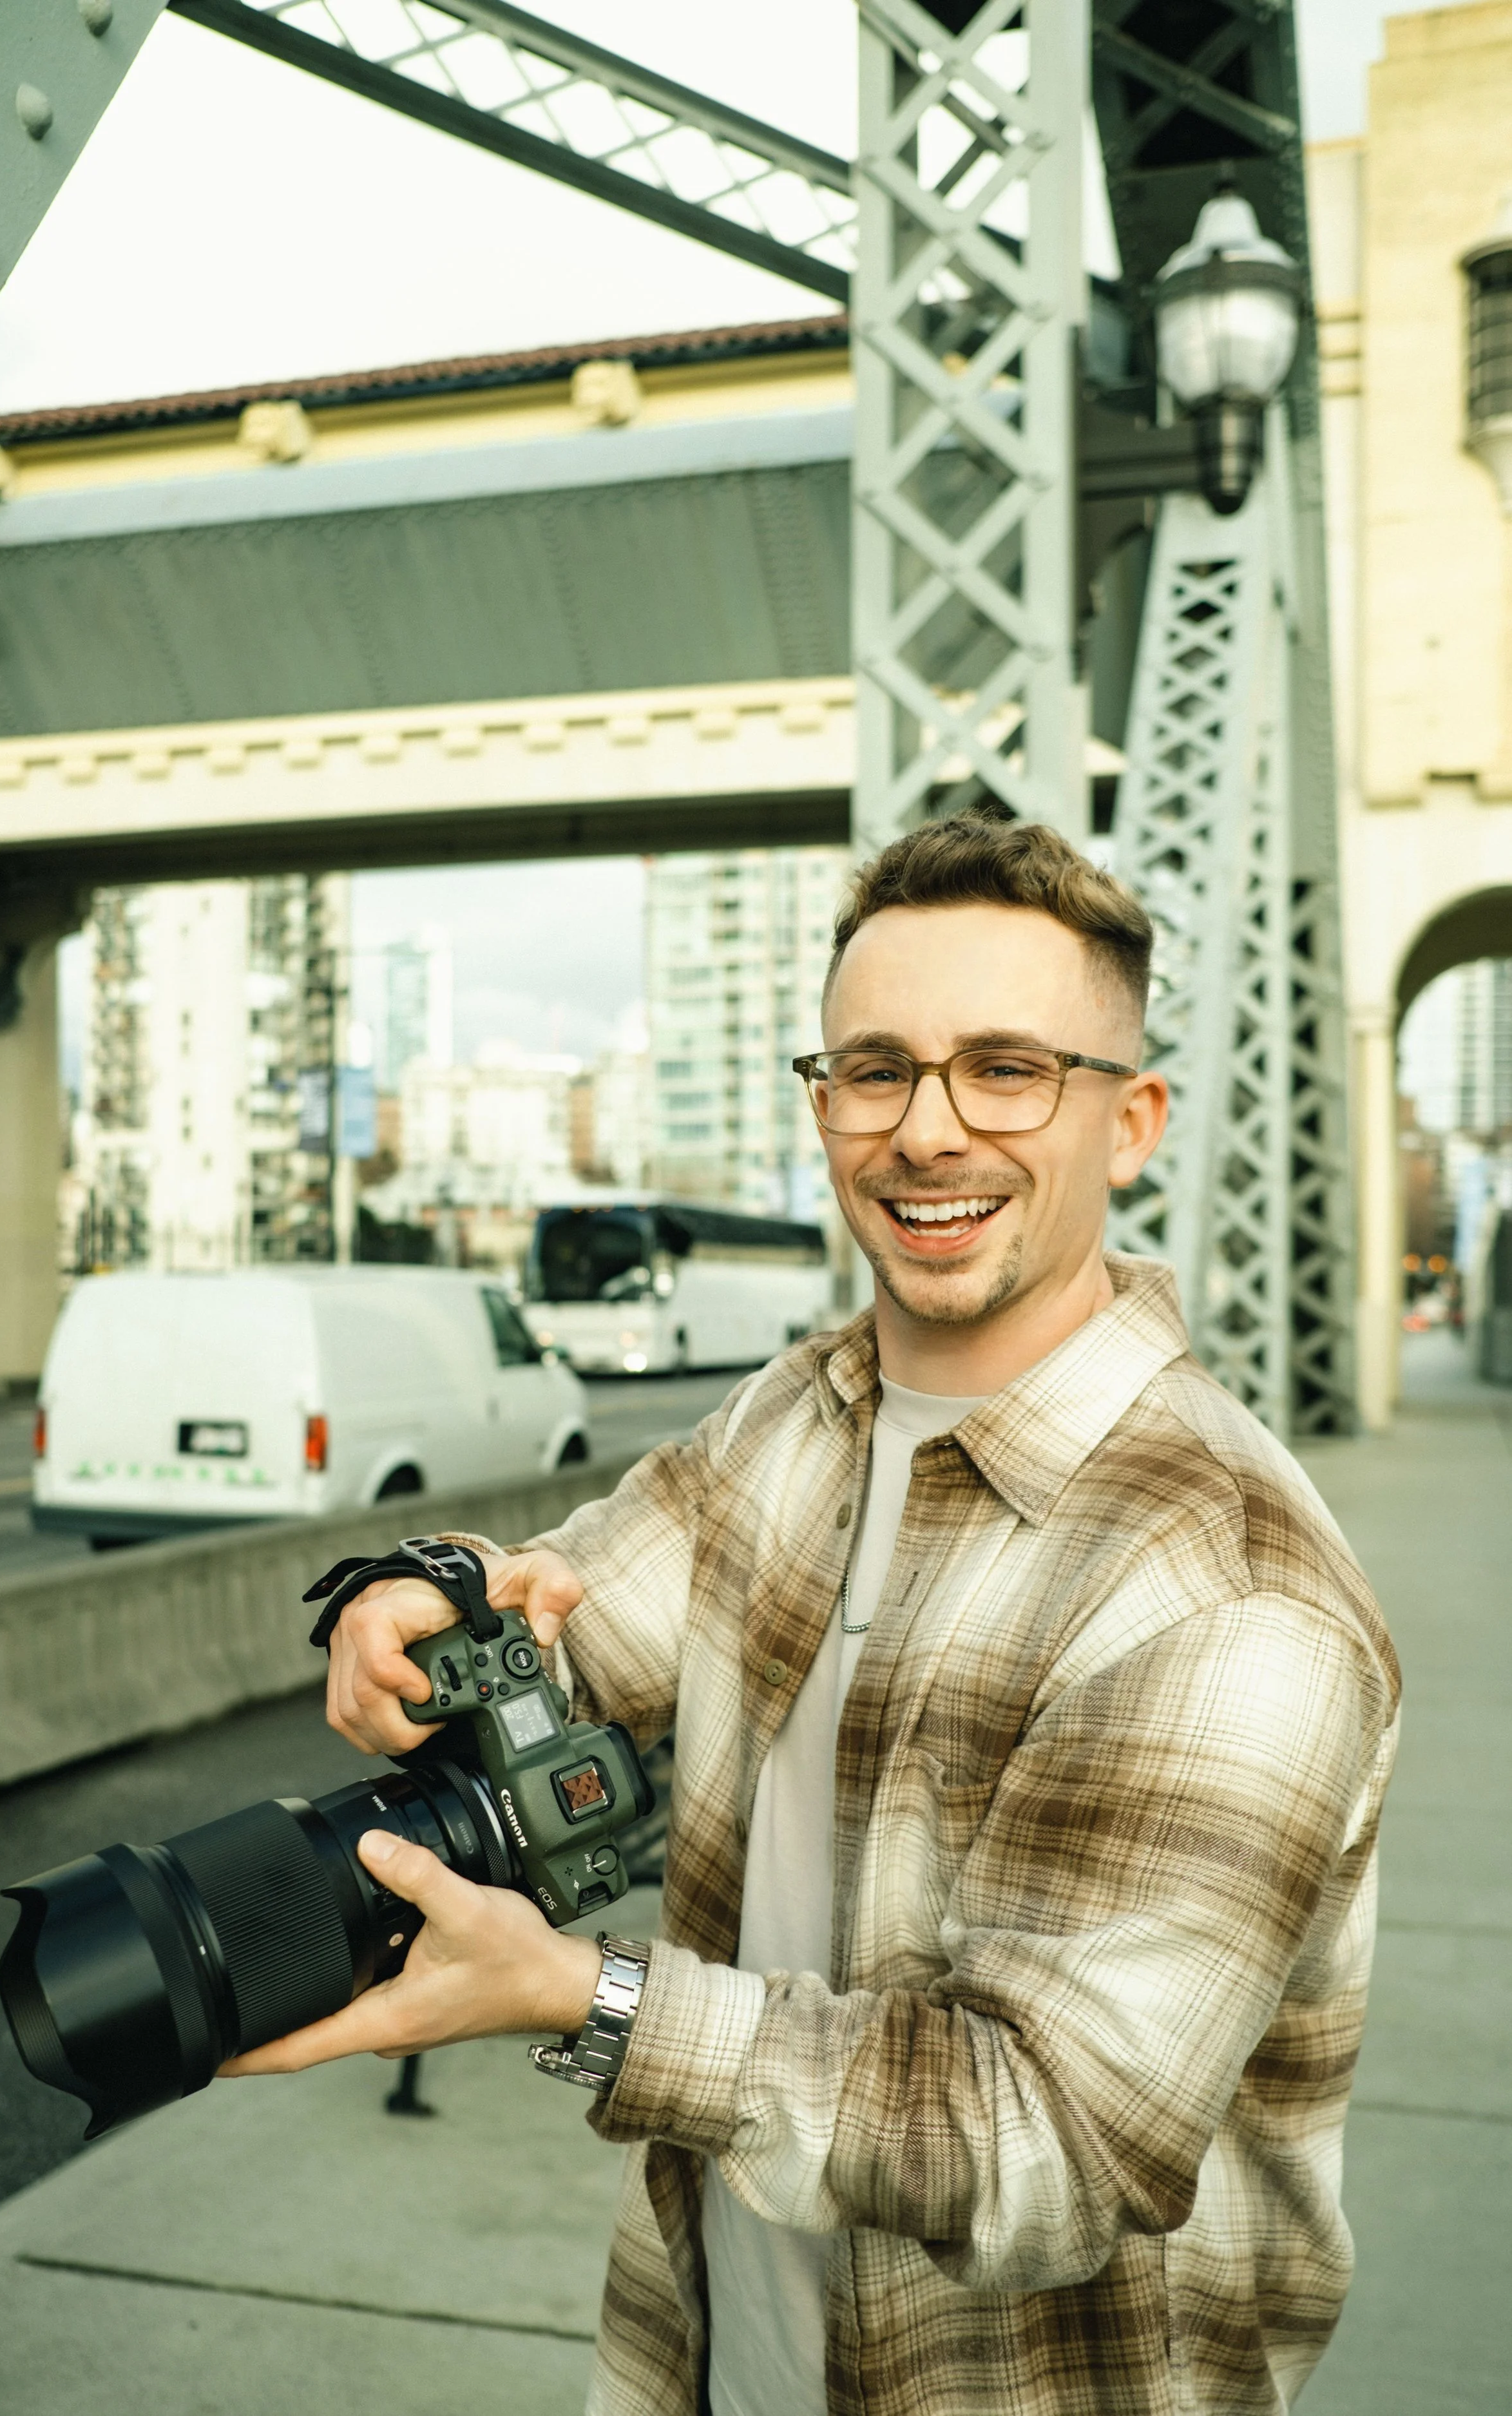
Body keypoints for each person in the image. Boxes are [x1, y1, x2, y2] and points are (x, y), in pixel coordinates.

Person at [227, 810, 1399, 2416]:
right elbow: (578, 1618)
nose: (926, 1131)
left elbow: (1048, 2143)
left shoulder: (1224, 1586)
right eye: (874, 1068)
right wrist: (422, 1603)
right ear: (824, 1098)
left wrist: (583, 2000)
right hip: (713, 2362)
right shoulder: (799, 1416)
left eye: (1003, 1069)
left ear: (1127, 1122)